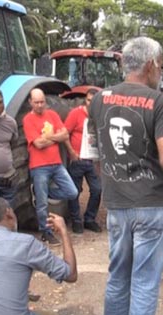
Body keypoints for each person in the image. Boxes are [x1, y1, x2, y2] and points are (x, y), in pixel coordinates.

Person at [87, 36, 163, 315]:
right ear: (150, 66)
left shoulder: (99, 100)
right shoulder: (160, 103)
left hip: (118, 205)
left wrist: (112, 186)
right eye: (159, 65)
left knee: (118, 279)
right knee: (144, 285)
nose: (159, 72)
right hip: (153, 205)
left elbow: (94, 155)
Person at [23, 88, 78, 245]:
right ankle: (45, 232)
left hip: (56, 163)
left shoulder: (53, 115)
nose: (40, 105)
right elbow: (38, 144)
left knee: (72, 192)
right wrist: (56, 138)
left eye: (42, 102)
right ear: (30, 102)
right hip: (39, 165)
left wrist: (49, 137)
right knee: (42, 204)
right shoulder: (28, 119)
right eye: (37, 102)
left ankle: (43, 192)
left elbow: (65, 135)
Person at [64, 88, 102, 233]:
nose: (90, 104)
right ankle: (76, 220)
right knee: (74, 191)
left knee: (97, 189)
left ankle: (89, 219)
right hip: (78, 159)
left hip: (93, 160)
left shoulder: (99, 116)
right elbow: (65, 133)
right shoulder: (75, 114)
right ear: (85, 100)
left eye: (94, 101)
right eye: (88, 100)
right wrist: (71, 152)